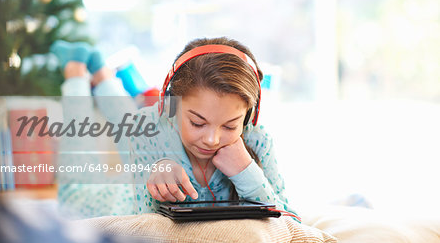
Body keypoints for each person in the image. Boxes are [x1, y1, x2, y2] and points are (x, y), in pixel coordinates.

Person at [52, 37, 300, 222]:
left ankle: (102, 74)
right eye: (197, 123)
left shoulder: (257, 140)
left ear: (249, 117)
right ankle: (75, 72)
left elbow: (293, 223)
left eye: (230, 125)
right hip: (116, 199)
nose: (212, 139)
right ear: (170, 107)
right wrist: (155, 179)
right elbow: (140, 228)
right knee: (73, 195)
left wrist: (247, 172)